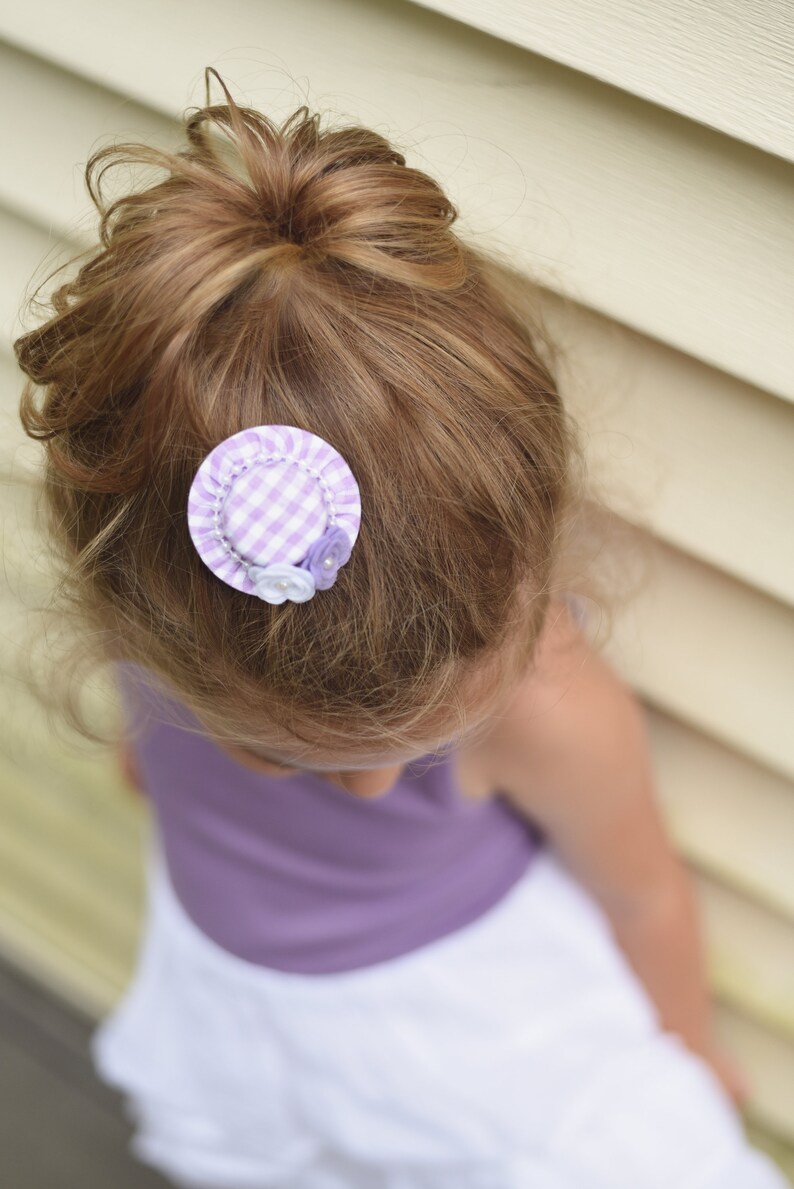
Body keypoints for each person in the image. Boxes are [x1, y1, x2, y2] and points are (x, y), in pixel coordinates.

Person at [14, 68, 789, 1189]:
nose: (370, 788)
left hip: (457, 1014)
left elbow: (639, 888)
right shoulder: (163, 588)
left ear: (521, 597)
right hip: (232, 990)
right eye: (285, 749)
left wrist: (687, 1052)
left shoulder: (549, 708)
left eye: (413, 748)